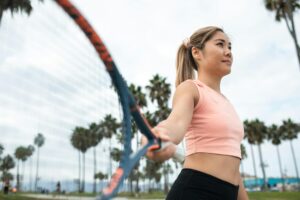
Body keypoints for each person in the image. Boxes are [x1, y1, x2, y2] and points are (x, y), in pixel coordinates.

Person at [143, 26, 249, 200]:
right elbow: (175, 123)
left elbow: (233, 167)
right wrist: (158, 135)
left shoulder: (227, 103)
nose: (228, 52)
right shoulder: (190, 88)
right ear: (197, 53)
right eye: (220, 44)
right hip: (196, 191)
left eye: (230, 47)